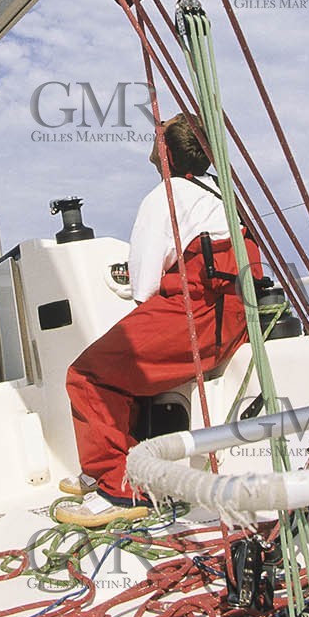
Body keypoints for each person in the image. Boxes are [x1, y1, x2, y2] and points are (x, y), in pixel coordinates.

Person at [57, 115, 262, 528]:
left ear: (165, 150)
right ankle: (111, 467)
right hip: (232, 316)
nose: (152, 133)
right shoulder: (220, 190)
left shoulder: (166, 195)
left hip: (197, 316)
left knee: (88, 374)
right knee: (117, 366)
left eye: (159, 131)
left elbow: (145, 285)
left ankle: (119, 488)